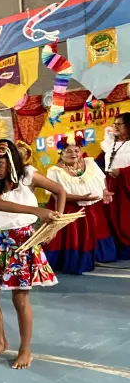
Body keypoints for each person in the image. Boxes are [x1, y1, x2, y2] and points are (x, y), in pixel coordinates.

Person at [0, 139, 66, 370]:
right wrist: (38, 210)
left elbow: (60, 191)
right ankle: (0, 342)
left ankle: (25, 350)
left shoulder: (28, 176)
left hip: (23, 240)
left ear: (11, 161)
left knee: (20, 299)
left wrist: (55, 225)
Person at [44, 137, 116, 274]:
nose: (73, 154)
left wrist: (105, 191)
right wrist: (81, 198)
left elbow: (101, 179)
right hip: (69, 209)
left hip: (92, 207)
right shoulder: (54, 171)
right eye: (68, 151)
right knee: (75, 236)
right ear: (61, 153)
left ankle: (95, 257)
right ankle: (71, 261)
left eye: (76, 151)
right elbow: (57, 195)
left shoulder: (89, 163)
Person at [102, 112, 130, 259]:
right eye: (115, 124)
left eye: (120, 124)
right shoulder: (110, 142)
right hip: (111, 184)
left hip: (126, 185)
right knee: (112, 217)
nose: (116, 127)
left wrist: (122, 172)